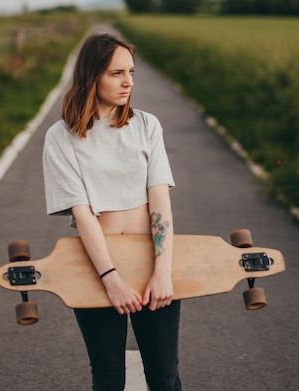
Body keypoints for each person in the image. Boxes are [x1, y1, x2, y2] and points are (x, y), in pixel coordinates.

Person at [42, 31, 182, 391]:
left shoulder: (147, 126)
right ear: (93, 76)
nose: (128, 82)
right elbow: (83, 213)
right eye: (117, 73)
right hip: (96, 267)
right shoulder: (61, 138)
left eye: (131, 72)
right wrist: (111, 280)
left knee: (165, 379)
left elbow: (160, 203)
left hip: (152, 262)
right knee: (107, 380)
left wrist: (162, 271)